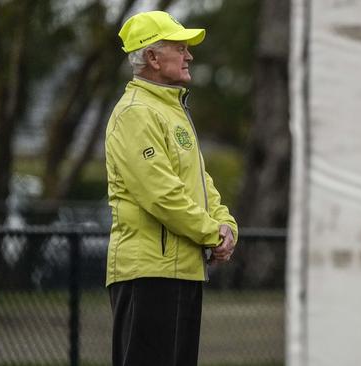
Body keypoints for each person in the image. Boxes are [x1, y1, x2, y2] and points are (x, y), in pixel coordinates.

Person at [104, 10, 238, 366]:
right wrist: (212, 233)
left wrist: (226, 226)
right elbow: (161, 194)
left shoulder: (171, 110)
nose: (189, 55)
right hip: (148, 273)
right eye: (180, 47)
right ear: (151, 57)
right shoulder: (135, 113)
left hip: (182, 271)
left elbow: (201, 183)